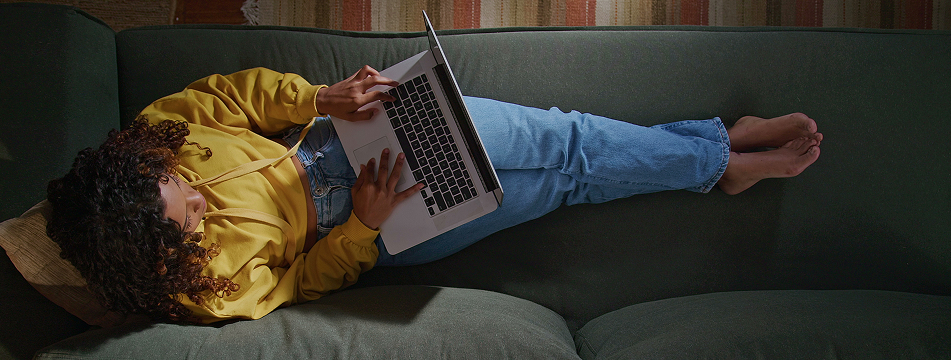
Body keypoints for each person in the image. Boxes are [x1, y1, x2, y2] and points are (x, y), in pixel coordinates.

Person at [46, 66, 822, 324]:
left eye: (182, 187)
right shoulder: (198, 290)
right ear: (162, 257)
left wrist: (320, 97)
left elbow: (232, 97)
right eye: (190, 221)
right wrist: (362, 228)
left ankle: (718, 154)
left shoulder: (157, 133)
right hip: (374, 224)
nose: (200, 203)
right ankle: (718, 154)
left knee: (564, 139)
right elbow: (297, 284)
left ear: (145, 164)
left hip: (342, 137)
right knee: (566, 183)